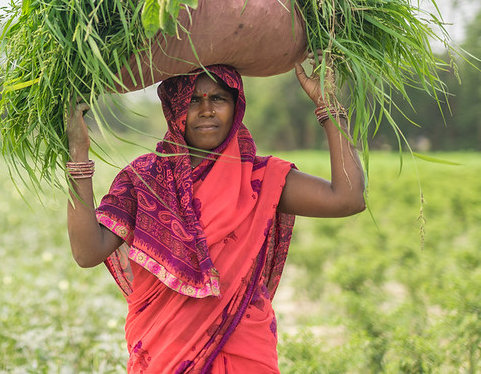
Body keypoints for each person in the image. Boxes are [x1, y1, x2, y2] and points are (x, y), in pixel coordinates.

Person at [65, 60, 365, 373]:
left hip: (245, 356)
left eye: (218, 98)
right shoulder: (144, 180)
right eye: (193, 100)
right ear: (173, 107)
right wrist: (78, 152)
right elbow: (87, 252)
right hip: (164, 356)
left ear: (237, 106)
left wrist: (330, 109)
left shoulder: (260, 179)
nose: (206, 110)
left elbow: (347, 198)